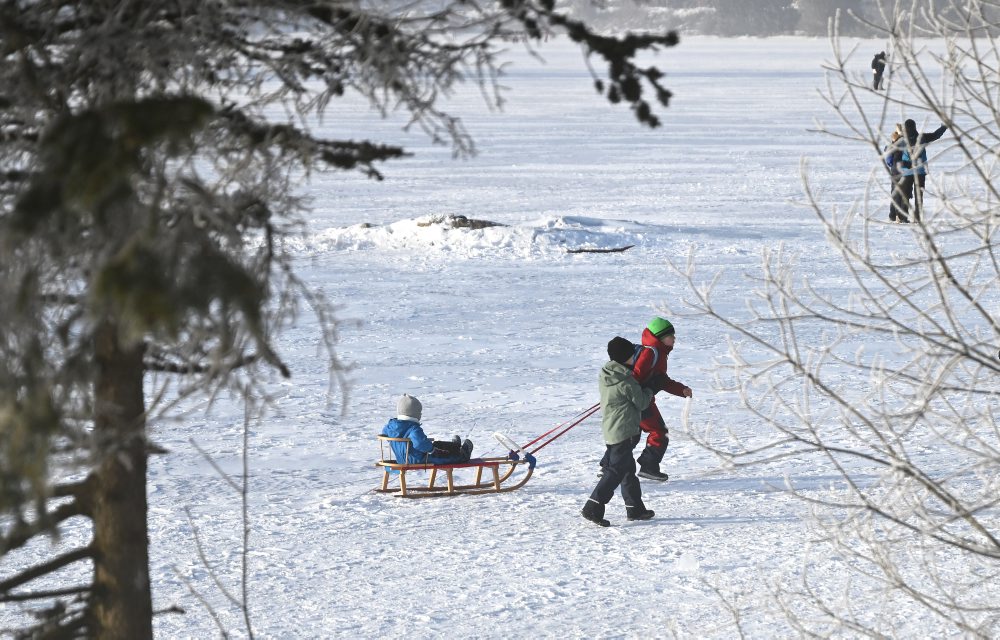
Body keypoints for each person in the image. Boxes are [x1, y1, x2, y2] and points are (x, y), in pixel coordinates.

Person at [582, 337, 657, 527]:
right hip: (624, 431)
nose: (634, 358)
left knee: (627, 470)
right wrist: (649, 390)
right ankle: (593, 506)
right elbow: (641, 402)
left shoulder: (608, 374)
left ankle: (635, 508)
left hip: (611, 429)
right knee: (615, 471)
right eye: (632, 355)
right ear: (626, 357)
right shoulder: (626, 381)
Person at [631, 317, 692, 481]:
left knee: (630, 434)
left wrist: (681, 390)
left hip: (635, 401)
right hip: (640, 401)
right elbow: (634, 377)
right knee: (659, 432)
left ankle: (609, 465)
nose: (674, 339)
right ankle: (648, 467)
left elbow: (661, 380)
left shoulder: (657, 353)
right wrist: (636, 394)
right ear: (660, 337)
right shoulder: (651, 353)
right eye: (671, 336)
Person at [380, 394, 473, 464]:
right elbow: (420, 443)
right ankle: (462, 456)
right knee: (440, 456)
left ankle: (454, 447)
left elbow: (384, 433)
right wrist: (431, 450)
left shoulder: (390, 426)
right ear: (415, 414)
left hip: (401, 458)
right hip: (418, 459)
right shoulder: (413, 428)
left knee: (436, 444)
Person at [889, 119, 948, 223]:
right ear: (915, 127)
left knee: (905, 195)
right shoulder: (922, 138)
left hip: (907, 172)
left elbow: (890, 150)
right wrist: (943, 127)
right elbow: (936, 135)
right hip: (920, 171)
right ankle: (918, 218)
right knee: (919, 196)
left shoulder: (902, 140)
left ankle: (903, 217)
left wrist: (894, 139)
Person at [884, 123, 908, 223]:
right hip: (903, 169)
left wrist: (891, 165)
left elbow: (888, 158)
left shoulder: (890, 145)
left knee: (895, 192)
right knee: (902, 194)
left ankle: (892, 215)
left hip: (894, 170)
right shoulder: (904, 143)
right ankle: (899, 216)